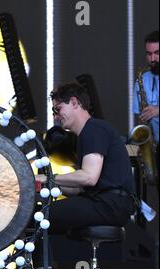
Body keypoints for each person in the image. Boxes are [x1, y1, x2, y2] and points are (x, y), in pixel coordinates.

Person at [36, 83, 136, 233]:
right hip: (105, 202)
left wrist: (48, 178)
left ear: (74, 103)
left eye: (58, 109)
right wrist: (49, 186)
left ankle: (42, 257)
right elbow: (80, 189)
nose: (56, 116)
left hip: (110, 204)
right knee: (41, 214)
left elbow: (89, 177)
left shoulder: (94, 129)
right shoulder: (86, 134)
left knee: (38, 216)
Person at [132, 30, 159, 176]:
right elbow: (140, 117)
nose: (153, 58)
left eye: (157, 53)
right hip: (155, 146)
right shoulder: (142, 78)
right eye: (149, 54)